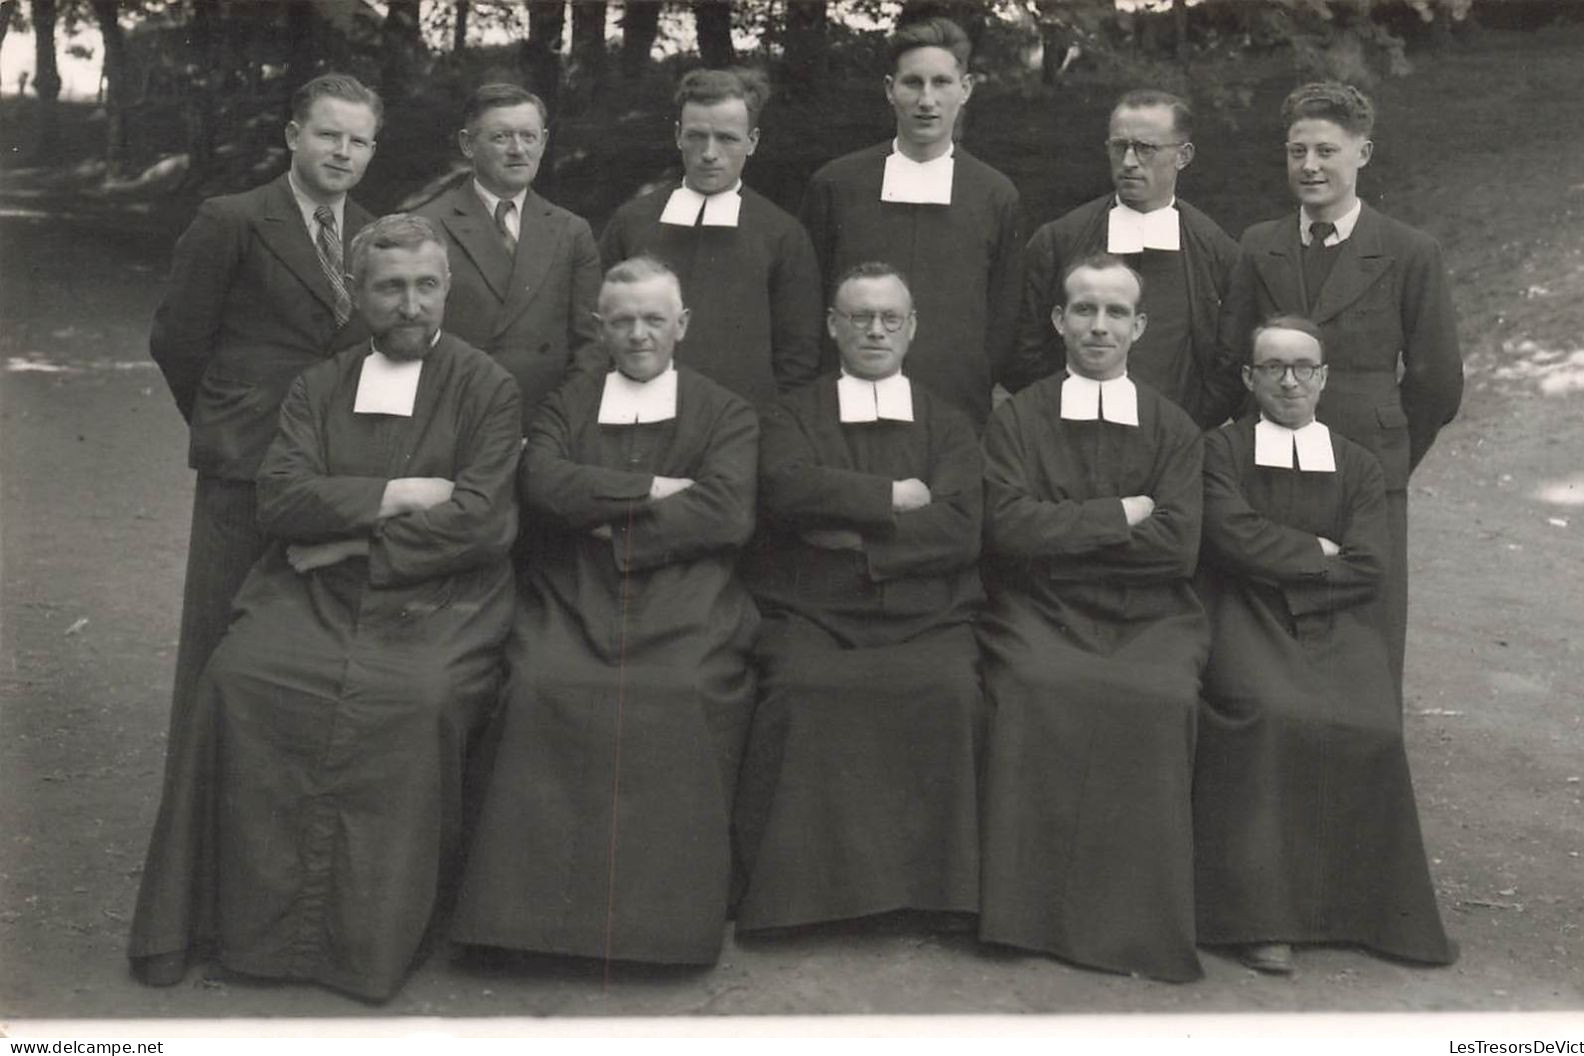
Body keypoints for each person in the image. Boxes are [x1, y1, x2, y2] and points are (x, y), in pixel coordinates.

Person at [128, 215, 523, 999]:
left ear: (447, 287)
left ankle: (367, 943)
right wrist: (402, 492)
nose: (409, 305)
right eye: (388, 287)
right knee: (240, 679)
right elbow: (281, 499)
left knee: (416, 699)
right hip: (309, 592)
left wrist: (351, 541)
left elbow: (481, 522)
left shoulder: (487, 386)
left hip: (441, 598)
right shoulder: (319, 385)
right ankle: (225, 927)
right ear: (355, 291)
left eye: (425, 286)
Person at [452, 256, 759, 966]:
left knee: (679, 689)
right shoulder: (568, 401)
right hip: (573, 591)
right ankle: (524, 924)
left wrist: (603, 521)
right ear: (600, 327)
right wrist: (653, 486)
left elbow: (725, 513)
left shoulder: (724, 409)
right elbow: (539, 481)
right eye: (622, 321)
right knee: (538, 686)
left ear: (681, 325)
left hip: (689, 596)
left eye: (654, 319)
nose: (639, 335)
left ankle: (662, 930)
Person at [142, 71, 380, 941]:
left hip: (328, 481)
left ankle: (275, 879)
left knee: (297, 669)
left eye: (357, 141)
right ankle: (188, 899)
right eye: (328, 135)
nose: (342, 153)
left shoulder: (369, 235)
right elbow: (177, 340)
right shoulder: (234, 219)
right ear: (292, 135)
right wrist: (231, 422)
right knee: (217, 661)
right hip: (245, 475)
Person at [1194, 315, 1455, 974]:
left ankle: (1364, 912)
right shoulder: (1218, 452)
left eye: (1302, 367)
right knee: (1267, 714)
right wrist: (1315, 550)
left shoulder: (1358, 464)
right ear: (1249, 379)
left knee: (1369, 724)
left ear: (1323, 378)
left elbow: (1370, 565)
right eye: (1273, 367)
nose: (1289, 380)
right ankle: (1261, 920)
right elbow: (1228, 538)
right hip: (1242, 616)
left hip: (1335, 624)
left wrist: (1282, 561)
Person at [733, 262, 984, 932]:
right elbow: (784, 491)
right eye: (859, 318)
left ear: (911, 329)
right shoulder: (790, 412)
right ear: (832, 328)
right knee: (801, 688)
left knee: (952, 690)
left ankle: (934, 896)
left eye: (889, 319)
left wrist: (849, 536)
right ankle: (799, 900)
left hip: (927, 615)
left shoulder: (948, 422)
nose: (875, 331)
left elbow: (960, 527)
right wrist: (892, 498)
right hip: (812, 610)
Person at [977, 253, 1207, 983]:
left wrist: (1065, 535)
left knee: (1157, 698)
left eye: (1114, 313)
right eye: (1083, 309)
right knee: (1034, 687)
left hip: (1151, 616)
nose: (1098, 326)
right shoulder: (1016, 419)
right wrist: (1118, 516)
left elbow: (1176, 549)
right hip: (1039, 611)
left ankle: (1134, 925)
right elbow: (1008, 532)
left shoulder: (1173, 428)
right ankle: (1025, 918)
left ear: (1138, 326)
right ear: (1057, 321)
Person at [1205, 82, 1463, 691]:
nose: (1310, 166)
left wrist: (1386, 455)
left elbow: (1437, 385)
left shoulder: (1408, 251)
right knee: (1264, 621)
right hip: (1266, 464)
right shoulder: (1258, 244)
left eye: (1326, 151)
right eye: (1297, 152)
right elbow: (1229, 362)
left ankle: (1361, 769)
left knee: (1363, 632)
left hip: (1365, 465)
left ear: (1362, 154)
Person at [798, 16, 1021, 427]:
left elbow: (1003, 318)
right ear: (890, 89)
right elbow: (807, 303)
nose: (926, 99)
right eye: (912, 83)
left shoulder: (994, 195)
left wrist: (972, 377)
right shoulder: (836, 185)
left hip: (955, 414)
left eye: (941, 83)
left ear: (965, 89)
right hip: (845, 409)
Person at [598, 67, 822, 407]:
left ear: (753, 142)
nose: (709, 153)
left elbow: (797, 355)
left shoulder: (782, 234)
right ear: (677, 135)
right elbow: (597, 333)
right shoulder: (632, 221)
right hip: (636, 417)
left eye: (727, 138)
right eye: (696, 136)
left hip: (744, 428)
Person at [1011, 89, 1237, 418]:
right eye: (1120, 147)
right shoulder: (1058, 241)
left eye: (1146, 148)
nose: (1129, 161)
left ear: (1183, 156)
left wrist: (1187, 427)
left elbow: (1228, 362)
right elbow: (1025, 351)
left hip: (1176, 443)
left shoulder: (1218, 252)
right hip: (1071, 433)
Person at [417, 83, 602, 422]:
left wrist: (562, 417)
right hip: (456, 418)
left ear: (544, 142)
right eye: (501, 137)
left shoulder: (571, 231)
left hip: (546, 420)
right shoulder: (426, 226)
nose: (518, 150)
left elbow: (590, 345)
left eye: (529, 137)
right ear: (467, 144)